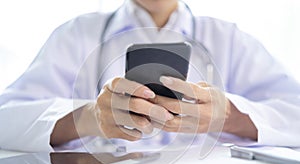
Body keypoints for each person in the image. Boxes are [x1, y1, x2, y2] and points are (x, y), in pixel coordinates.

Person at [0, 0, 300, 152]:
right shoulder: (75, 35)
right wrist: (90, 118)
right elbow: (6, 118)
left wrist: (230, 116)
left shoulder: (229, 39)